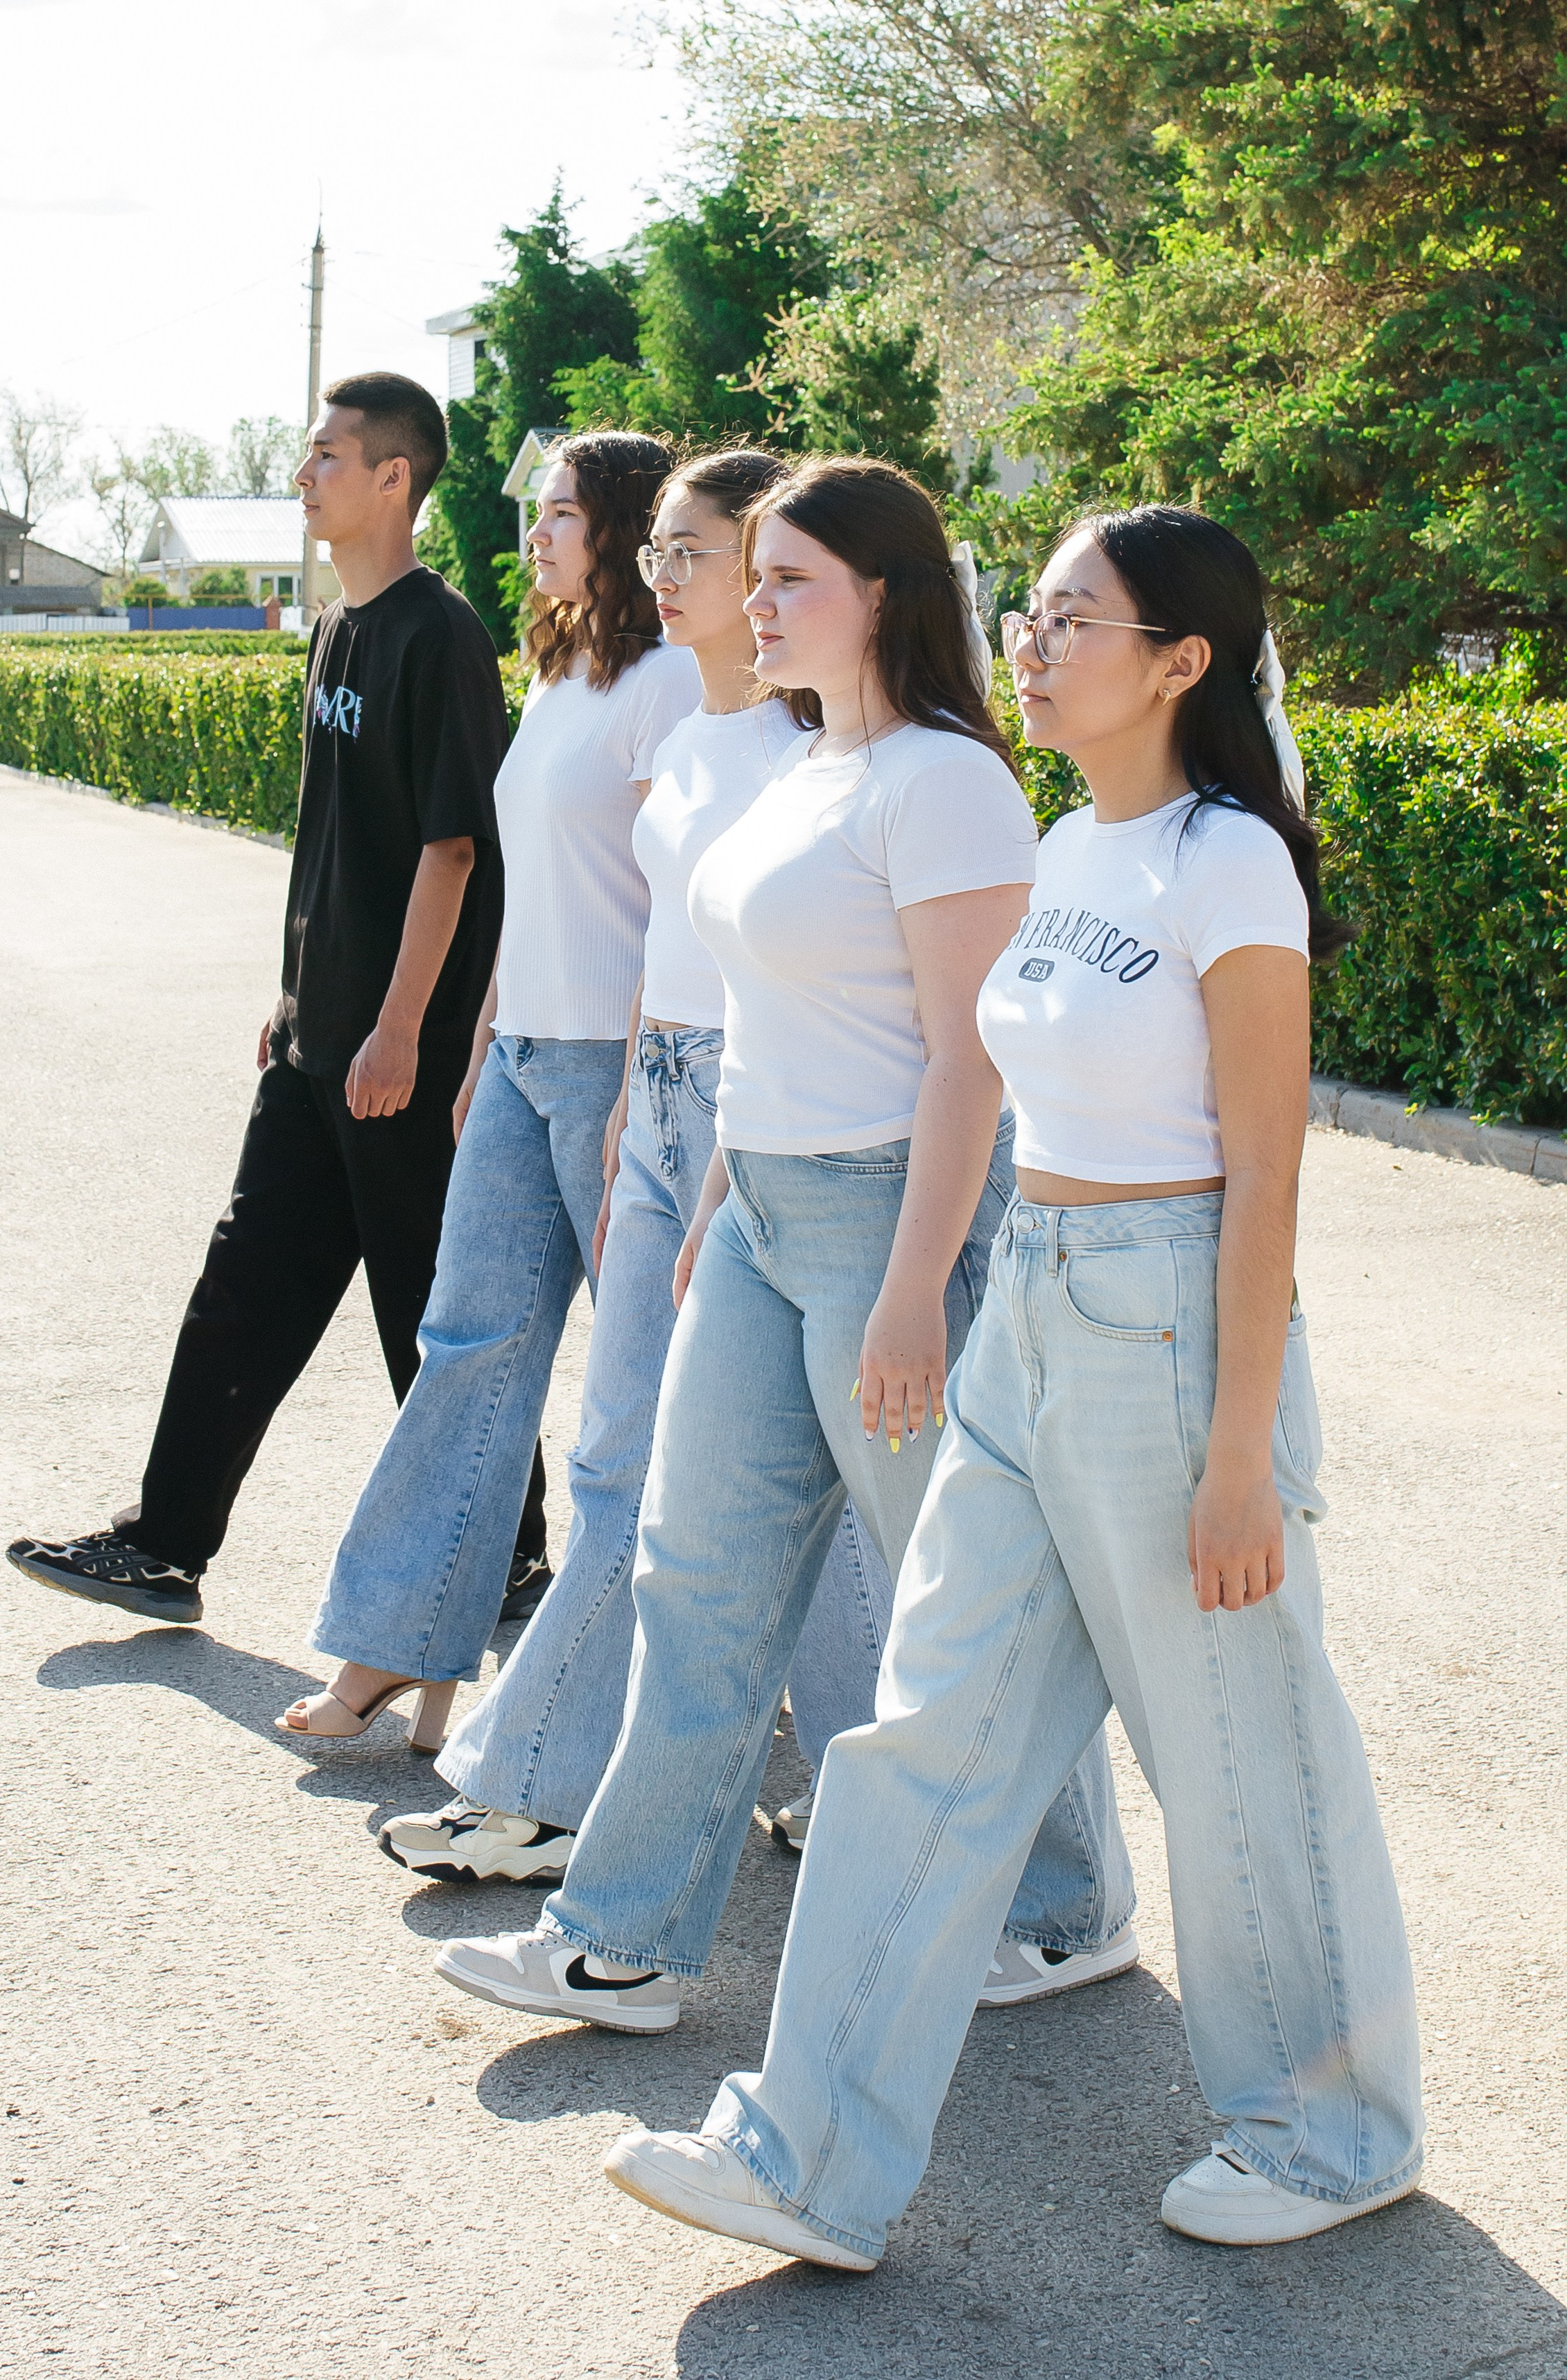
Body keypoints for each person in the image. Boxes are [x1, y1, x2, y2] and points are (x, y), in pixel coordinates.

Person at [602, 505, 1425, 2263]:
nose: (1033, 647)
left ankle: (1333, 2126)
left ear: (1181, 663)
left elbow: (1266, 1175)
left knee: (1236, 1747)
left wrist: (1236, 1455)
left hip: (1169, 1322)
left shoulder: (1227, 866)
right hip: (1032, 1318)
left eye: (1076, 622)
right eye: (1031, 615)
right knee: (916, 1741)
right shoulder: (1063, 853)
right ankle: (801, 2154)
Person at [430, 456, 1134, 2030]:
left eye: (788, 579)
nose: (755, 603)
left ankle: (1071, 1901)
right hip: (761, 1213)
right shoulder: (800, 763)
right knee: (695, 1578)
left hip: (895, 1222)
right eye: (754, 579)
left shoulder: (946, 780)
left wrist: (907, 1296)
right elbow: (751, 1002)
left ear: (882, 594)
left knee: (953, 1584)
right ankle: (621, 1938)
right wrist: (723, 1209)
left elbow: (970, 1060)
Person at [379, 449, 940, 1888]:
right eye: (681, 556)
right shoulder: (693, 741)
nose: (674, 579)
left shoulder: (810, 752)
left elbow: (821, 974)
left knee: (751, 1477)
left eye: (708, 555)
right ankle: (571, 1781)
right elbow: (670, 943)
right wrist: (636, 1086)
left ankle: (570, 1777)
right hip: (667, 1100)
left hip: (762, 1122)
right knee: (648, 1458)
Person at [7, 372, 523, 1646]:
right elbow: (333, 840)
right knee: (245, 1285)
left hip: (399, 1051)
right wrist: (300, 999)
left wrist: (403, 1026)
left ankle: (508, 1560)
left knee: (428, 1312)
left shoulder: (438, 636)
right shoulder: (336, 628)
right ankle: (163, 1543)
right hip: (316, 1043)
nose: (306, 476)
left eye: (327, 456)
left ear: (394, 477)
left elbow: (453, 848)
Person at [277, 432, 700, 1744]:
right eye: (541, 509)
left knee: (665, 1392)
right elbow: (537, 884)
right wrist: (484, 1035)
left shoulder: (674, 684)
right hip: (523, 1057)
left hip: (620, 1072)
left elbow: (675, 904)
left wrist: (636, 1074)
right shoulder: (567, 668)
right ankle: (398, 1646)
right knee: (467, 1350)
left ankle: (703, 1690)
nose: (540, 529)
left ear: (625, 529)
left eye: (565, 512)